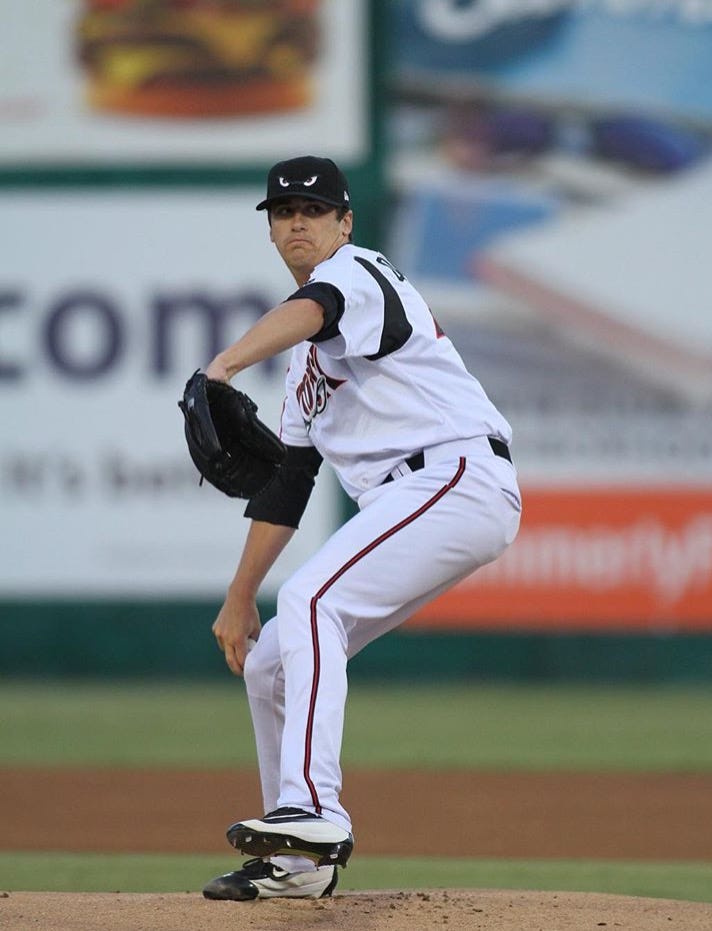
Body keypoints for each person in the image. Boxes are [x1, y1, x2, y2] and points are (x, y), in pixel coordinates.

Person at [200, 155, 522, 901]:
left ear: (345, 222)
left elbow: (317, 307)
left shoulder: (360, 274)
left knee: (314, 598)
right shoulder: (304, 369)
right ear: (272, 230)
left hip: (455, 472)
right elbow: (290, 481)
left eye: (313, 209)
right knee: (271, 658)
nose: (298, 222)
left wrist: (223, 365)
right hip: (423, 497)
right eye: (284, 213)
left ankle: (314, 806)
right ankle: (299, 866)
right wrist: (240, 594)